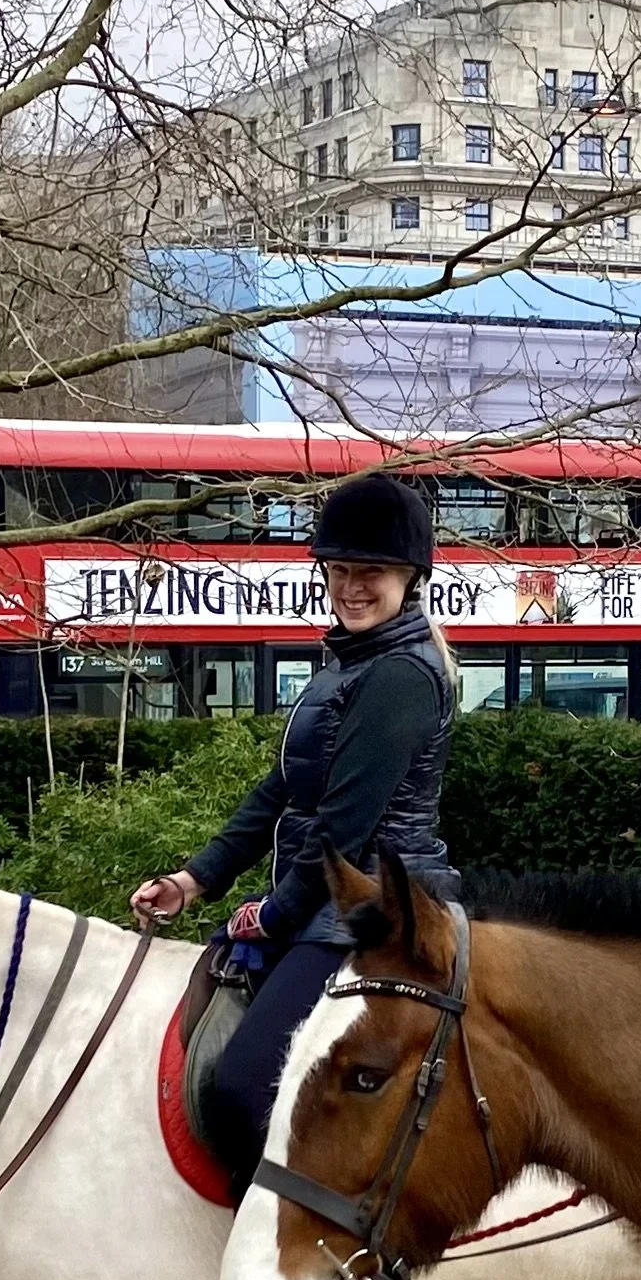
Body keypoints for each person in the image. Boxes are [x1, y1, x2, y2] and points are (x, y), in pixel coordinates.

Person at [131, 474, 457, 1190]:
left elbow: (343, 830)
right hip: (325, 907)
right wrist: (195, 879)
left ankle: (328, 1240)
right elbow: (282, 789)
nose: (350, 588)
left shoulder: (399, 676)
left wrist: (274, 915)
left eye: (369, 572)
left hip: (373, 913)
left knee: (243, 1087)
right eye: (337, 571)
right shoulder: (349, 664)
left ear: (410, 577)